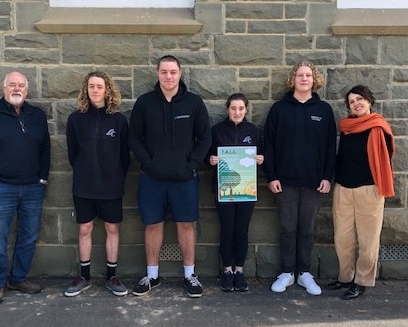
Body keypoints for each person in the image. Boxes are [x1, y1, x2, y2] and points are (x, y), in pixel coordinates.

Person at [128, 55, 211, 298]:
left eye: (173, 72)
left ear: (180, 73)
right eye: (164, 71)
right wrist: (148, 164)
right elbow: (134, 137)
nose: (168, 76)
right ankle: (152, 275)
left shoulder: (194, 103)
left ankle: (190, 275)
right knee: (152, 224)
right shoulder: (144, 103)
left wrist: (191, 164)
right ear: (157, 73)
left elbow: (205, 137)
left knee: (186, 224)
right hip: (151, 177)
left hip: (185, 178)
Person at [0, 72, 50, 304]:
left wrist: (43, 179)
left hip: (33, 189)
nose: (17, 88)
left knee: (28, 236)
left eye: (21, 85)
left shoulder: (37, 115)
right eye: (12, 85)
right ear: (4, 87)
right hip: (1, 188)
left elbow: (46, 148)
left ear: (27, 90)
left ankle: (18, 278)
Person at [263, 62, 337, 296]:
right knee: (287, 229)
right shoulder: (279, 109)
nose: (304, 78)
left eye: (308, 75)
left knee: (307, 229)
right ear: (292, 79)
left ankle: (304, 273)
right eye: (299, 75)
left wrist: (327, 177)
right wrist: (271, 175)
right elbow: (269, 145)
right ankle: (287, 272)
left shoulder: (323, 110)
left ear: (314, 80)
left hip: (314, 182)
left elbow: (329, 148)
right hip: (284, 181)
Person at [64, 71, 130, 297]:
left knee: (112, 228)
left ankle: (112, 275)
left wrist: (115, 176)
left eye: (99, 86)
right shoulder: (75, 119)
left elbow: (124, 157)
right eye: (91, 86)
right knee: (85, 228)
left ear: (107, 90)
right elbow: (73, 154)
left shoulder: (119, 121)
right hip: (84, 186)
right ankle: (84, 276)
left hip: (111, 186)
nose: (95, 90)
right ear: (86, 89)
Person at [328, 85, 395, 300]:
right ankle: (345, 276)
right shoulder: (346, 127)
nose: (356, 103)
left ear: (369, 100)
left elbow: (384, 160)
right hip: (343, 189)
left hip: (369, 189)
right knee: (342, 237)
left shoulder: (378, 127)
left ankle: (362, 281)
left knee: (368, 239)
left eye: (360, 99)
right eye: (351, 101)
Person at [207, 93, 264, 292]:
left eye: (241, 108)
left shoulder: (254, 132)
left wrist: (261, 160)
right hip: (224, 191)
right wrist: (211, 160)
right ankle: (227, 271)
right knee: (227, 230)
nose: (237, 112)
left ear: (246, 110)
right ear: (227, 109)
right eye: (233, 108)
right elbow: (206, 155)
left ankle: (239, 271)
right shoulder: (217, 131)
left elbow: (264, 156)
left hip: (247, 190)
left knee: (241, 230)